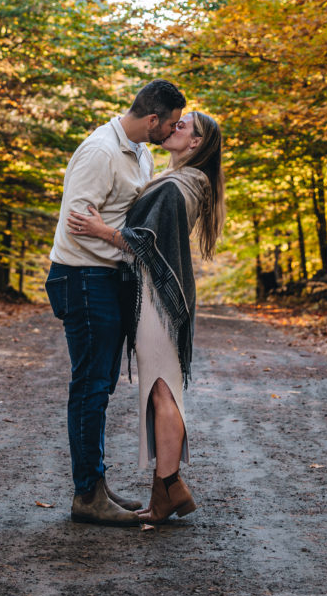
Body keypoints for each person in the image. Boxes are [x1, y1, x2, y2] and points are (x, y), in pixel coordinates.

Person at [67, 110, 225, 524]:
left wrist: (101, 230)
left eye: (184, 126)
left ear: (195, 143)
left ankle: (169, 486)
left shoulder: (179, 185)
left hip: (159, 302)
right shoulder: (179, 179)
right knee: (162, 388)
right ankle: (169, 488)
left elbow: (147, 244)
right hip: (157, 298)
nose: (175, 127)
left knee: (162, 390)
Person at [45, 79, 186, 526]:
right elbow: (77, 225)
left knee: (101, 386)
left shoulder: (141, 153)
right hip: (82, 277)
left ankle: (97, 486)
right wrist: (128, 250)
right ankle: (87, 495)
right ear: (152, 120)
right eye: (172, 124)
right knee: (90, 386)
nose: (175, 130)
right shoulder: (101, 152)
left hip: (106, 277)